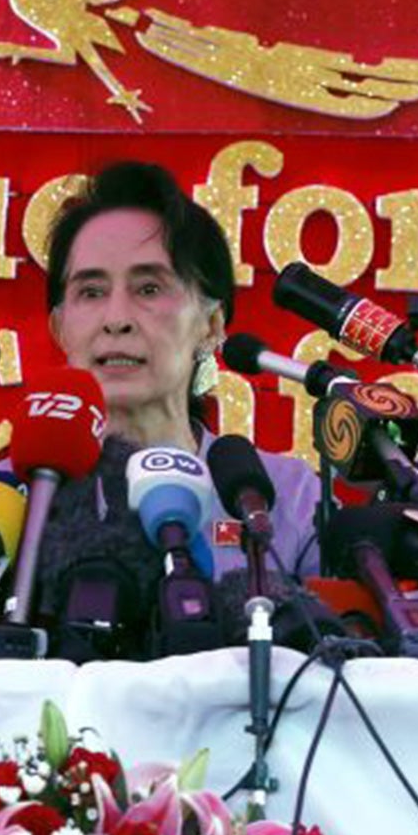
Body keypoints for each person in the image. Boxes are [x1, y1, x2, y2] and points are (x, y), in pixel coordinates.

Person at [39, 160, 321, 580]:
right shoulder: (17, 497)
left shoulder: (281, 494)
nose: (116, 319)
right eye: (91, 291)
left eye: (149, 288)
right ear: (59, 328)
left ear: (211, 326)